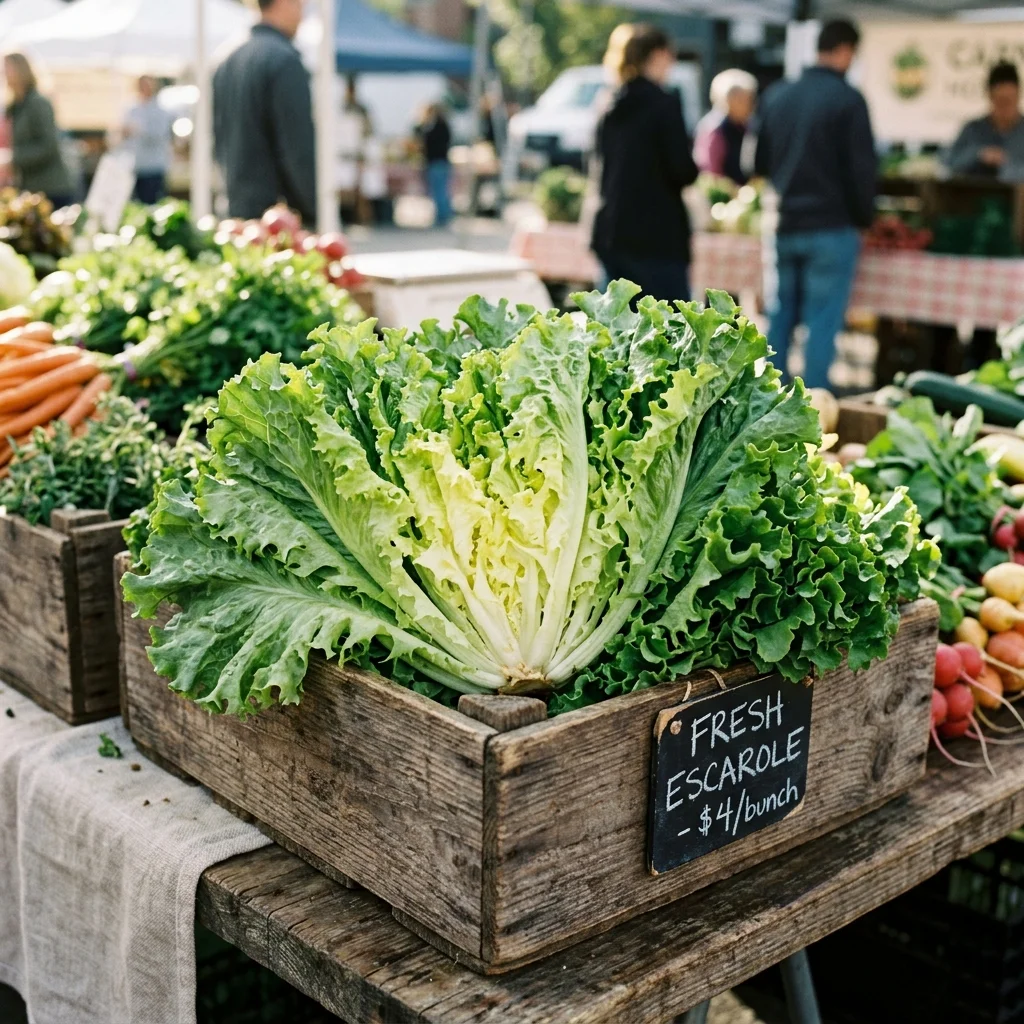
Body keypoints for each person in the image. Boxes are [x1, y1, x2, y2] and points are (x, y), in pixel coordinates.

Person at [753, 19, 875, 390]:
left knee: (779, 316)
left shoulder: (777, 95)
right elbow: (861, 171)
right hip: (831, 227)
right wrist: (864, 219)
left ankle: (764, 400)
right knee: (822, 322)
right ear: (846, 51)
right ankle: (814, 407)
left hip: (783, 222)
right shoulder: (849, 100)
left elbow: (753, 165)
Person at [591, 24, 698, 302]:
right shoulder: (664, 104)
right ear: (659, 54)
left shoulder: (608, 104)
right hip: (657, 235)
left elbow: (596, 165)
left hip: (613, 229)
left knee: (616, 332)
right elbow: (681, 170)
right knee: (670, 332)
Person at [212, 0, 315, 225]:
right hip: (277, 220)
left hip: (233, 209)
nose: (303, 13)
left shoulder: (225, 57)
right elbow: (298, 149)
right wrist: (313, 208)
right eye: (300, 4)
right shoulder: (283, 60)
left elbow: (212, 136)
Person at [4, 53, 73, 207]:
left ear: (21, 70)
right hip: (30, 189)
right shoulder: (16, 106)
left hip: (51, 189)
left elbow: (49, 146)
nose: (4, 73)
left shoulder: (38, 103)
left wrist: (13, 159)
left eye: (7, 68)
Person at [947, 62, 1024, 182]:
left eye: (1010, 100)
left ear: (1018, 96)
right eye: (1000, 101)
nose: (1005, 107)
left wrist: (1006, 164)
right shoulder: (973, 130)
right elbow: (949, 162)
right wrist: (979, 155)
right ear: (990, 96)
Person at [693, 69, 757, 185]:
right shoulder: (713, 129)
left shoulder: (745, 126)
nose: (751, 105)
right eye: (744, 99)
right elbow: (710, 172)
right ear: (728, 100)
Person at [122, 76, 174, 204]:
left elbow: (159, 135)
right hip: (135, 167)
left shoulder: (161, 111)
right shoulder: (131, 109)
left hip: (154, 167)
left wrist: (137, 130)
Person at [417, 103, 452, 228]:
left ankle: (442, 217)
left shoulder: (435, 127)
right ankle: (444, 216)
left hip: (436, 161)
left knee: (439, 191)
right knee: (442, 191)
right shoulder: (444, 126)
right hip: (441, 161)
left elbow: (426, 143)